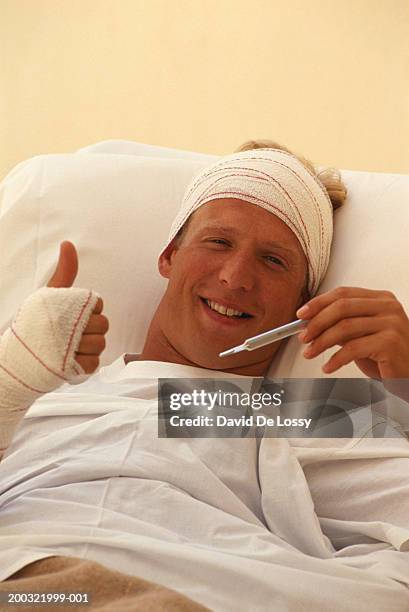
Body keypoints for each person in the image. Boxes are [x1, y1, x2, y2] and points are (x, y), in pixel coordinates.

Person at [1, 141, 409, 611]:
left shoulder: (303, 410)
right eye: (218, 242)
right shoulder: (37, 380)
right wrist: (12, 377)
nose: (236, 277)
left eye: (273, 261)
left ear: (303, 302)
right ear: (169, 256)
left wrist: (405, 386)